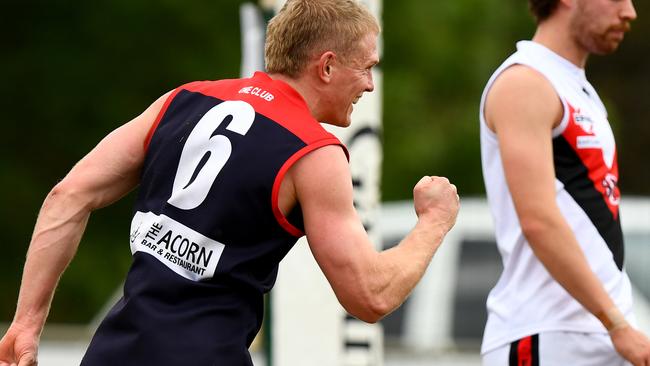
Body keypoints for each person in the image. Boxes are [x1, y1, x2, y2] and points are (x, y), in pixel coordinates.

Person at [0, 0, 460, 365]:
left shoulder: (185, 98)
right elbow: (371, 295)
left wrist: (25, 324)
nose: (370, 85)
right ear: (326, 66)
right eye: (367, 67)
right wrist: (434, 222)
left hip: (114, 352)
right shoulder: (314, 151)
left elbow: (68, 195)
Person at [479, 0, 650, 365]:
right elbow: (538, 219)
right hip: (545, 334)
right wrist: (616, 323)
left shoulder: (577, 87)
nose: (630, 12)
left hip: (598, 333)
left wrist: (617, 325)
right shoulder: (524, 82)